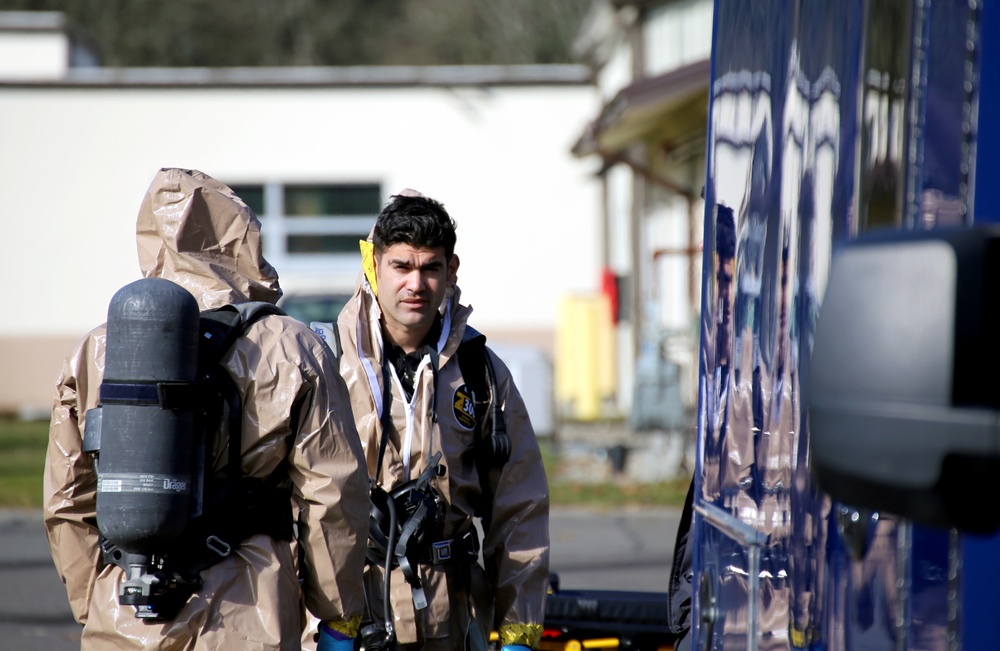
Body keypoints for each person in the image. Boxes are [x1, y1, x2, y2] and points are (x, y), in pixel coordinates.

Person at [44, 168, 371, 650]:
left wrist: (94, 600)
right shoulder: (291, 346)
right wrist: (337, 616)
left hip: (127, 606)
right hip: (250, 607)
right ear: (241, 236)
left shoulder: (99, 348)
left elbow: (68, 496)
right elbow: (333, 495)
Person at [333, 190, 549, 651]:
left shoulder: (482, 373)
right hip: (352, 615)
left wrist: (518, 633)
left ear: (451, 271)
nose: (416, 284)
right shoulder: (328, 365)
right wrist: (328, 623)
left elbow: (521, 508)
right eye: (402, 267)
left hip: (452, 618)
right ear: (374, 265)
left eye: (430, 268)